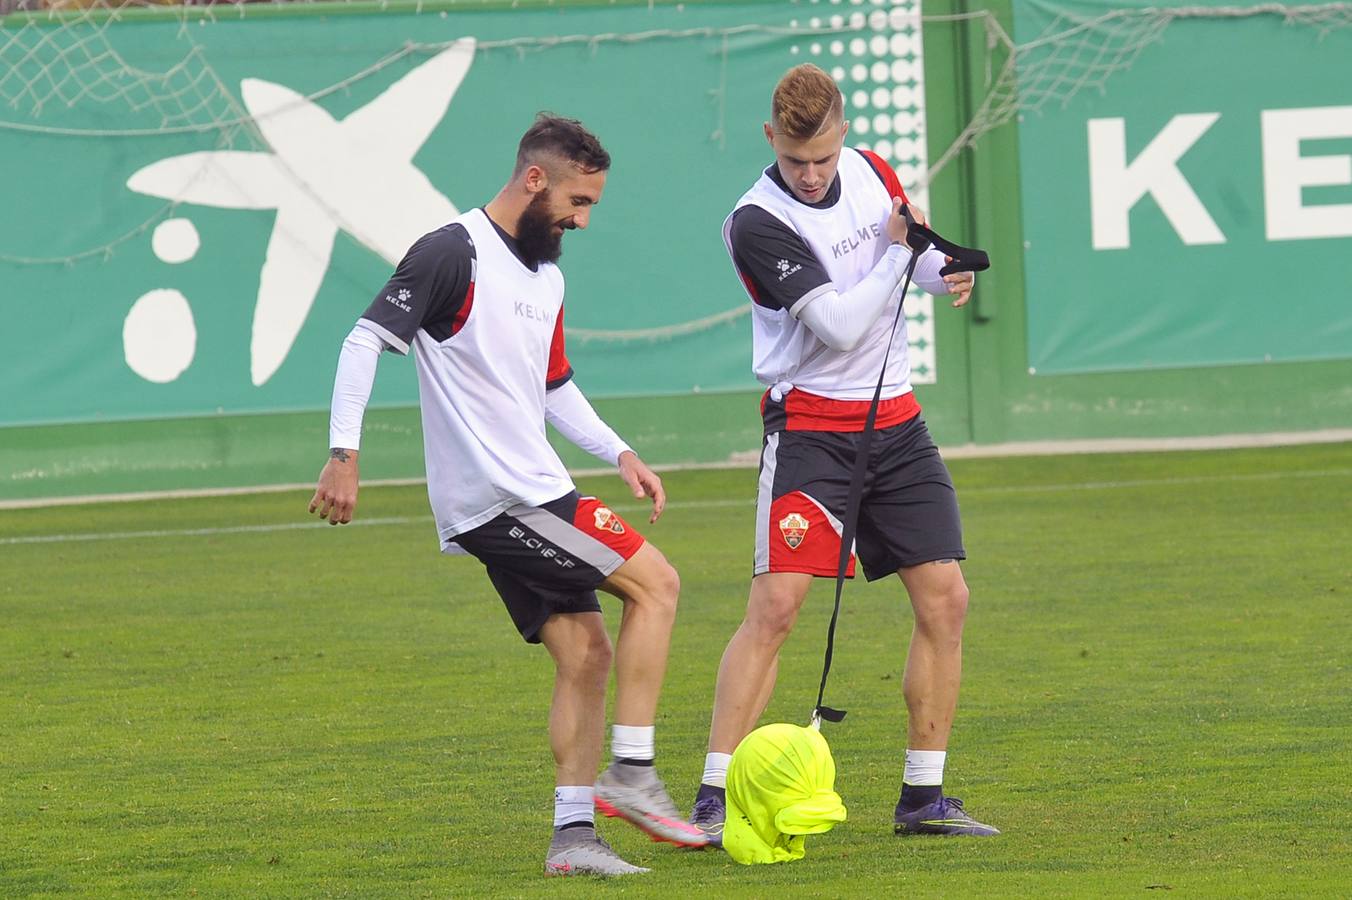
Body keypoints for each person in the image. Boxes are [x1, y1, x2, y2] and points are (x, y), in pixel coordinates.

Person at [308, 113, 707, 877]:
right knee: (658, 586)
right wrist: (343, 455)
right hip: (508, 499)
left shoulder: (546, 277)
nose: (582, 221)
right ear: (535, 180)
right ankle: (632, 772)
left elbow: (553, 385)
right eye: (577, 202)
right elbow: (365, 341)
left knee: (587, 654)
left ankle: (574, 840)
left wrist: (618, 449)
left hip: (532, 491)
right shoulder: (449, 252)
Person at [688, 64, 997, 844]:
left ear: (845, 132)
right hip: (811, 434)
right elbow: (839, 326)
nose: (815, 174)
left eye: (824, 157)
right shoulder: (755, 222)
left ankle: (922, 797)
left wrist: (938, 269)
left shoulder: (870, 172)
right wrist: (901, 255)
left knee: (947, 599)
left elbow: (911, 253)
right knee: (776, 610)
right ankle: (714, 793)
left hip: (897, 424)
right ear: (770, 140)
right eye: (798, 161)